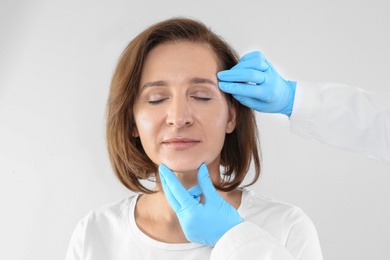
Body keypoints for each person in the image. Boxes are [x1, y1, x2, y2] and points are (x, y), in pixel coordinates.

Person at [65, 18, 323, 260]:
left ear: (231, 116)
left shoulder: (286, 227)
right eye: (156, 99)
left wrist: (232, 238)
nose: (178, 118)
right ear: (132, 122)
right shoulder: (95, 233)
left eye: (201, 96)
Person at [218, 51, 390, 163]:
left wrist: (292, 99)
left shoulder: (287, 219)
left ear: (232, 116)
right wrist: (297, 100)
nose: (189, 118)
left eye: (201, 96)